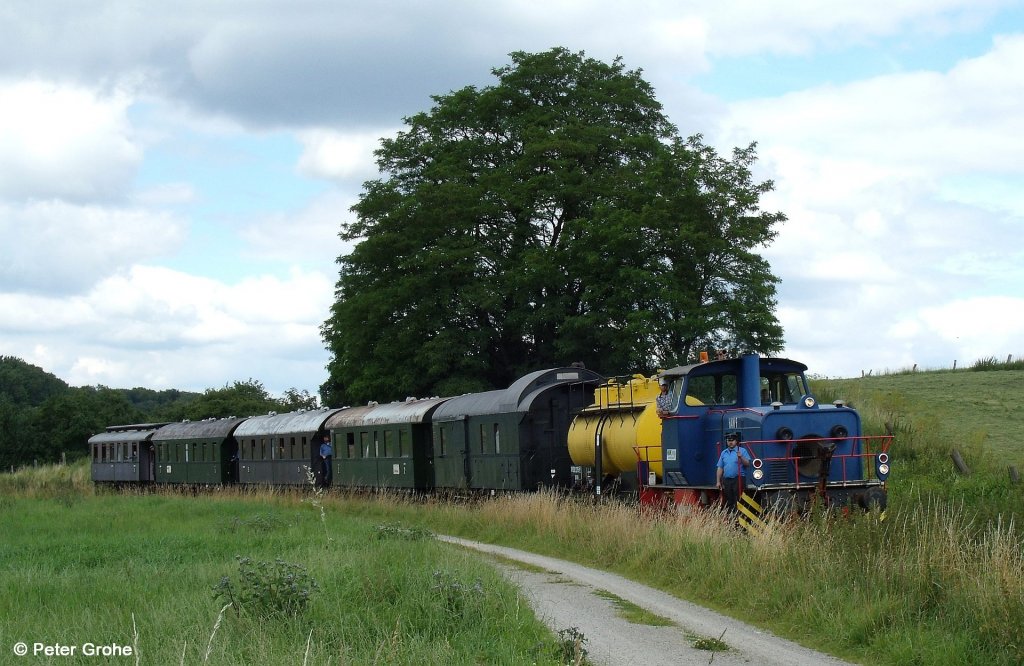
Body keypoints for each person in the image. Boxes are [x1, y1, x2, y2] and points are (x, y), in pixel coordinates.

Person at [716, 432, 749, 514]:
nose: (730, 442)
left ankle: (740, 518)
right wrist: (718, 481)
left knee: (739, 499)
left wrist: (741, 457)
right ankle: (731, 519)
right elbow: (720, 467)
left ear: (736, 441)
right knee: (729, 500)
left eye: (732, 440)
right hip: (727, 480)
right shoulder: (724, 453)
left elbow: (747, 463)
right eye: (728, 440)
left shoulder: (742, 451)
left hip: (738, 479)